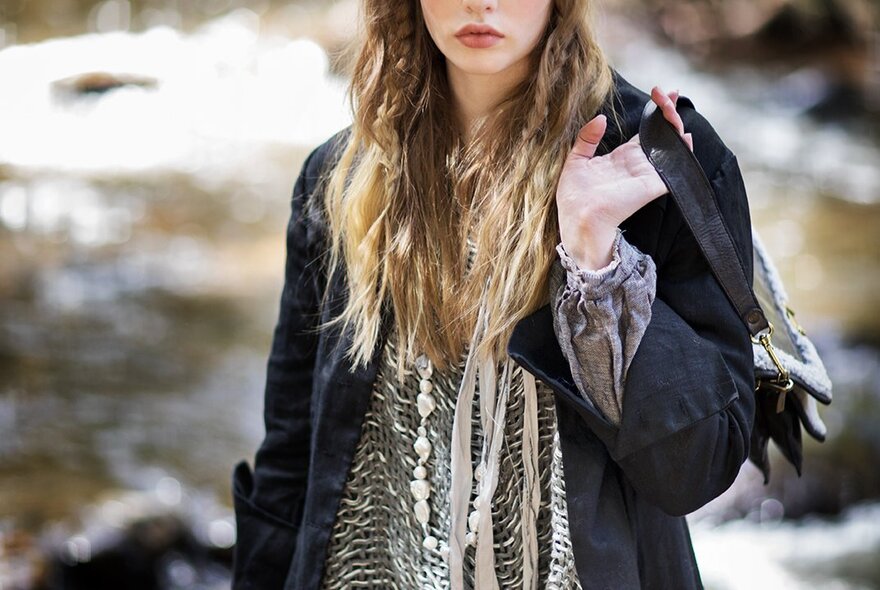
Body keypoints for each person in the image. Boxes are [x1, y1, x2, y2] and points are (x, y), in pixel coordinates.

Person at [230, 0, 756, 588]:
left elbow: (697, 468)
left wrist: (597, 262)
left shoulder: (657, 161)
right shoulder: (344, 177)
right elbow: (289, 461)